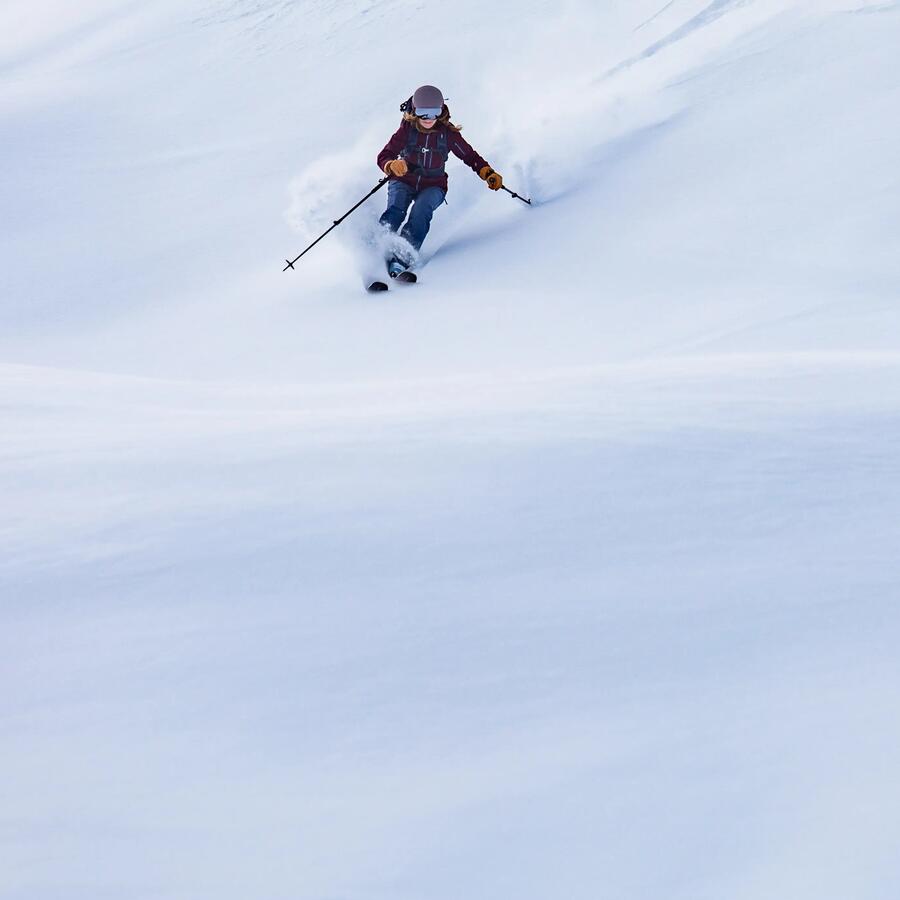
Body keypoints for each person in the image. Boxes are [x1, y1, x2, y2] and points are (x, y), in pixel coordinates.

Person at [377, 84, 503, 277]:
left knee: (420, 212)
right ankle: (377, 250)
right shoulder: (407, 131)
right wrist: (391, 165)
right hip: (404, 179)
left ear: (442, 110)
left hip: (433, 185)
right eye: (423, 113)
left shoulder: (447, 134)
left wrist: (487, 172)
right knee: (395, 210)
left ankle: (401, 257)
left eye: (434, 112)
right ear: (414, 111)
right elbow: (384, 155)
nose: (429, 119)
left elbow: (470, 156)